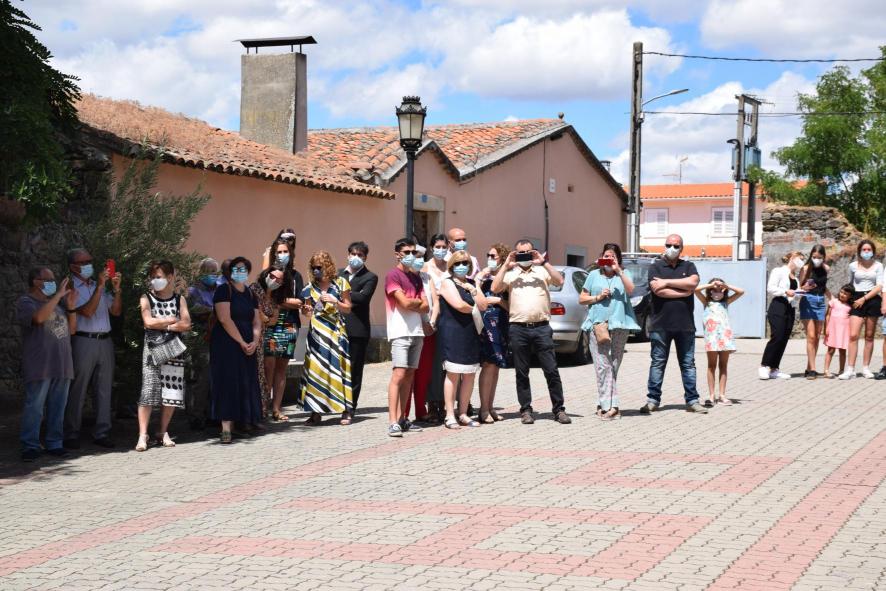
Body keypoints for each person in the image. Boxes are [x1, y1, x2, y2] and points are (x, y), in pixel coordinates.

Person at [491, 239, 570, 424]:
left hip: (541, 327)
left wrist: (543, 262)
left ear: (534, 252)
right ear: (515, 254)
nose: (525, 255)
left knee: (551, 370)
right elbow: (495, 288)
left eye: (528, 252)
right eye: (521, 253)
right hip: (518, 328)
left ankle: (559, 409)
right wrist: (506, 264)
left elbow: (559, 281)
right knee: (522, 372)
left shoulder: (542, 271)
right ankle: (526, 410)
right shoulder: (511, 274)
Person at [63, 248, 123, 449]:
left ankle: (102, 432)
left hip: (105, 340)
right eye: (84, 262)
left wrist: (116, 290)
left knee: (104, 389)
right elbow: (87, 312)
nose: (89, 264)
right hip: (83, 340)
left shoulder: (99, 286)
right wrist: (100, 287)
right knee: (78, 388)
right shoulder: (70, 287)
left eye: (90, 260)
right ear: (73, 266)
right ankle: (71, 433)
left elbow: (116, 311)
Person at [642, 234, 707, 414]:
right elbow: (657, 290)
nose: (672, 248)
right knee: (657, 363)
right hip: (660, 325)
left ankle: (692, 401)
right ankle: (652, 400)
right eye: (669, 244)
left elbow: (693, 282)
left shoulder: (689, 266)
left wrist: (666, 282)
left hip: (685, 326)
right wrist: (683, 292)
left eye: (676, 246)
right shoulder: (655, 266)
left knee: (688, 364)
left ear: (681, 248)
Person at [18, 268, 78, 462]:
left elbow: (72, 330)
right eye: (48, 279)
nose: (53, 282)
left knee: (58, 407)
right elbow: (38, 318)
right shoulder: (26, 302)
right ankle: (30, 446)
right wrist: (58, 295)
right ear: (36, 281)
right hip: (39, 364)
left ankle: (54, 443)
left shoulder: (57, 305)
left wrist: (70, 307)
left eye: (53, 279)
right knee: (35, 407)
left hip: (62, 364)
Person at [578, 243, 639, 420]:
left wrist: (618, 270)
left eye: (613, 256)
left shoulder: (624, 273)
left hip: (619, 325)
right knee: (602, 366)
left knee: (613, 365)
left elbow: (631, 290)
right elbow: (582, 299)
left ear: (618, 259)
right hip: (598, 325)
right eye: (606, 256)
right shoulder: (593, 275)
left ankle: (603, 403)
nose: (609, 259)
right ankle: (613, 407)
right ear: (601, 258)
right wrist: (598, 297)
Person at [136, 261, 192, 451]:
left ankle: (162, 431)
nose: (154, 280)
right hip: (152, 352)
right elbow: (148, 322)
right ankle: (143, 435)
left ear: (170, 277)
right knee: (148, 391)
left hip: (174, 351)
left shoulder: (179, 299)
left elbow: (186, 324)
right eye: (152, 277)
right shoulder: (146, 297)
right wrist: (171, 321)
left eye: (158, 277)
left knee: (172, 390)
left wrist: (163, 325)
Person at [210, 257, 262, 443]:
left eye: (243, 269)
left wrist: (254, 341)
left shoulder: (250, 294)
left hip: (247, 344)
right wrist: (241, 341)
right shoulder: (224, 290)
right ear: (230, 272)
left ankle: (243, 422)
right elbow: (224, 319)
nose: (240, 272)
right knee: (228, 382)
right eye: (236, 269)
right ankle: (225, 428)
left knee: (245, 382)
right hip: (227, 343)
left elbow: (256, 320)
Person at [299, 251, 353, 425]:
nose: (316, 270)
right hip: (317, 334)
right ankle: (315, 411)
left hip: (336, 332)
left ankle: (346, 410)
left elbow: (348, 308)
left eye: (319, 267)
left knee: (340, 368)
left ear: (327, 266)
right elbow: (307, 312)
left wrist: (335, 301)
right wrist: (305, 310)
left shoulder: (340, 283)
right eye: (313, 267)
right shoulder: (309, 288)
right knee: (316, 370)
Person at [384, 237, 429, 437]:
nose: (411, 256)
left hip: (417, 331)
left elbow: (426, 306)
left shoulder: (416, 278)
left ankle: (403, 418)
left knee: (410, 375)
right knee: (399, 374)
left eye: (413, 252)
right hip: (400, 332)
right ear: (397, 254)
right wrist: (415, 301)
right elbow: (404, 303)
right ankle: (392, 421)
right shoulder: (392, 275)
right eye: (407, 252)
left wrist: (414, 302)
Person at [437, 251, 487, 428]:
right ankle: (450, 415)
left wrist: (474, 289)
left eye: (465, 263)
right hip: (453, 333)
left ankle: (463, 413)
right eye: (458, 263)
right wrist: (475, 308)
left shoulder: (472, 284)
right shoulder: (447, 282)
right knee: (453, 374)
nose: (461, 266)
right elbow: (459, 305)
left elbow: (484, 305)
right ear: (452, 265)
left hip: (471, 333)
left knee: (469, 374)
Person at [260, 238, 304, 419]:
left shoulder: (296, 276)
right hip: (270, 325)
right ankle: (263, 407)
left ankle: (277, 409)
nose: (282, 255)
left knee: (281, 369)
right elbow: (262, 297)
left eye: (285, 251)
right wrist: (285, 302)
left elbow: (299, 301)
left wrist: (277, 301)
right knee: (268, 366)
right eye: (279, 252)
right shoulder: (267, 274)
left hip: (289, 325)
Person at [250, 264, 296, 420]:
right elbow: (257, 314)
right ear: (266, 275)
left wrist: (263, 318)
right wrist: (263, 317)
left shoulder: (276, 296)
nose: (275, 280)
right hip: (255, 336)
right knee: (264, 370)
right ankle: (260, 410)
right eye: (272, 276)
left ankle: (270, 409)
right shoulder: (255, 289)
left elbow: (271, 320)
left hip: (275, 332)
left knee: (275, 370)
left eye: (279, 279)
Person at [339, 241, 378, 418]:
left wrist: (341, 294)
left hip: (357, 331)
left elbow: (363, 299)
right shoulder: (339, 274)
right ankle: (336, 403)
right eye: (353, 254)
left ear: (365, 257)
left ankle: (350, 407)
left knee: (354, 370)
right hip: (337, 328)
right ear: (348, 255)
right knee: (338, 368)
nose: (356, 257)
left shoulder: (370, 277)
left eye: (360, 255)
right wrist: (352, 295)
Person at [475, 243, 510, 423]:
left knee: (496, 366)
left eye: (493, 256)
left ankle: (490, 406)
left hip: (502, 324)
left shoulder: (507, 278)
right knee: (488, 364)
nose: (489, 258)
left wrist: (497, 300)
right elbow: (475, 298)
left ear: (502, 259)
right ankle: (483, 409)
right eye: (488, 255)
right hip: (486, 324)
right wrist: (479, 279)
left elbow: (512, 307)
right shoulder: (482, 277)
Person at [695, 277, 744, 407]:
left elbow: (741, 291)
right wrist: (711, 285)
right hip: (711, 339)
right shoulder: (706, 302)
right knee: (711, 366)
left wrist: (725, 286)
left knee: (723, 366)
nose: (717, 292)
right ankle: (711, 395)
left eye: (720, 289)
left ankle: (722, 395)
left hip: (725, 338)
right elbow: (696, 289)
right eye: (714, 289)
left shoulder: (726, 302)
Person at [416, 233, 449, 422]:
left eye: (444, 247)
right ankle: (433, 403)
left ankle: (446, 403)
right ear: (431, 247)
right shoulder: (425, 267)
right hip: (432, 318)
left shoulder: (451, 266)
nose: (441, 250)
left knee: (448, 361)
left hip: (451, 317)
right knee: (433, 363)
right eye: (437, 246)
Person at [840, 240, 883, 380]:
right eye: (864, 249)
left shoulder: (878, 266)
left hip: (872, 299)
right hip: (856, 300)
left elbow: (879, 286)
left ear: (873, 251)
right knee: (853, 335)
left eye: (869, 249)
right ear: (859, 251)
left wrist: (864, 299)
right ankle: (850, 369)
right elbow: (850, 284)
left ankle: (866, 368)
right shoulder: (853, 265)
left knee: (869, 336)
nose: (866, 252)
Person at [759, 251, 805, 380]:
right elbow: (771, 288)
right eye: (799, 259)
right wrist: (785, 291)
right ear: (792, 258)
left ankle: (774, 369)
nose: (801, 262)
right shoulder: (778, 271)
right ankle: (764, 366)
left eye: (802, 260)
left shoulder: (795, 278)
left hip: (790, 308)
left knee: (784, 338)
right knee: (777, 336)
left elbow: (795, 294)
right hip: (778, 305)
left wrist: (801, 291)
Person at [186, 257, 219, 429]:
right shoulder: (194, 290)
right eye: (210, 271)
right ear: (202, 272)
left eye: (215, 272)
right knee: (201, 378)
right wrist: (214, 310)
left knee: (214, 377)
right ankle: (196, 416)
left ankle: (212, 414)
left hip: (217, 338)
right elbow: (194, 309)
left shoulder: (218, 289)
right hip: (200, 338)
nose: (213, 275)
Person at [404, 245, 436, 422]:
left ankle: (421, 411)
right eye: (414, 256)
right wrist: (422, 320)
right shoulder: (402, 277)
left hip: (428, 330)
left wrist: (431, 323)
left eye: (420, 257)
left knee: (423, 374)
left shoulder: (426, 277)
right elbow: (408, 303)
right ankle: (404, 413)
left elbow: (434, 303)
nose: (418, 260)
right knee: (408, 373)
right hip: (410, 330)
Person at [798, 245, 829, 379]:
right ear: (811, 256)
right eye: (814, 257)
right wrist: (804, 287)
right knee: (810, 336)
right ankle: (813, 369)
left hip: (820, 301)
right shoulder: (805, 268)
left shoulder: (826, 268)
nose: (816, 259)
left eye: (819, 257)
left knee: (816, 336)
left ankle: (809, 367)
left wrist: (832, 299)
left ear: (824, 257)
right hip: (808, 301)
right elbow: (798, 287)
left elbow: (824, 287)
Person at [823, 284, 853, 378]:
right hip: (833, 329)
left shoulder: (850, 306)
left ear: (850, 296)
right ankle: (826, 370)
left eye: (845, 294)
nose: (842, 295)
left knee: (843, 351)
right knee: (831, 350)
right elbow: (827, 315)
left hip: (844, 331)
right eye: (841, 292)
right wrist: (826, 328)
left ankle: (841, 370)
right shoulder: (833, 302)